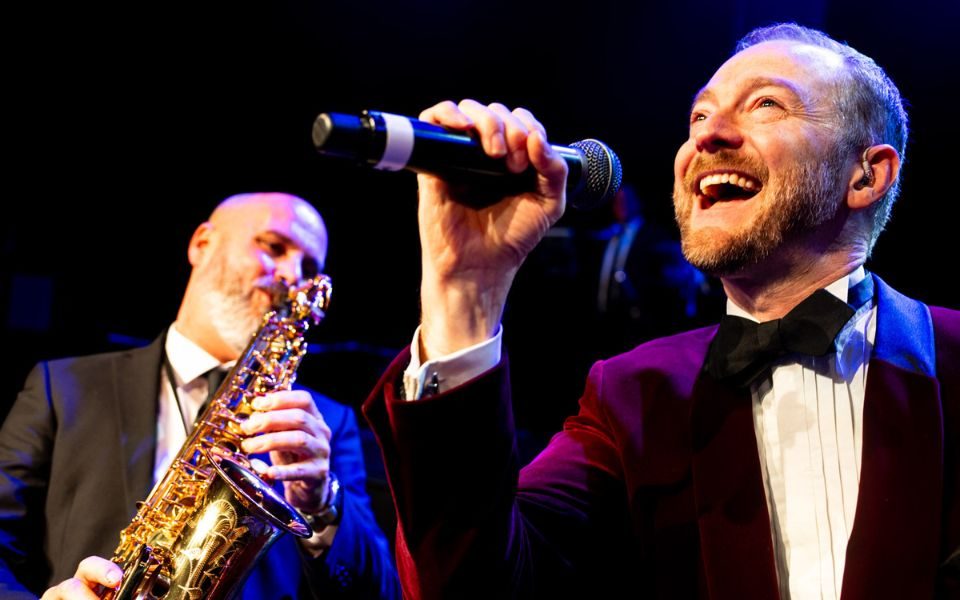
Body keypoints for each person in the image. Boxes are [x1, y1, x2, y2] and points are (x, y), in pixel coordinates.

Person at [362, 24, 959, 600]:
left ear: (866, 174)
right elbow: (471, 582)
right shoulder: (632, 397)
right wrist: (464, 290)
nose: (707, 136)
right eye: (698, 116)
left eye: (767, 105)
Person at [0, 193, 400, 599]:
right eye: (273, 247)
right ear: (201, 244)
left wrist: (321, 506)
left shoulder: (322, 427)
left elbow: (380, 592)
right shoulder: (63, 386)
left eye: (309, 266)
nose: (292, 274)